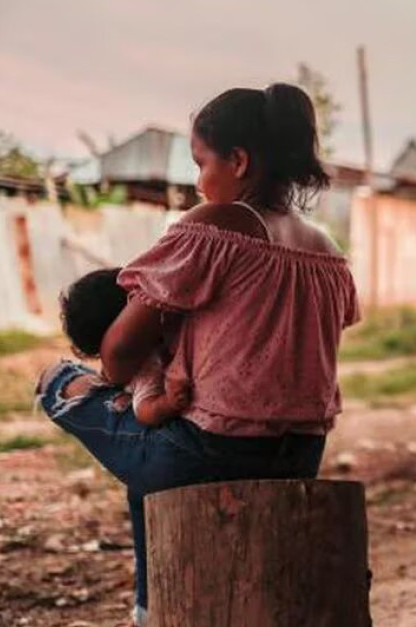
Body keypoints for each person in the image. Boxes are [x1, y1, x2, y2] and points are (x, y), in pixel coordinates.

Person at [36, 83, 360, 626]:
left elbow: (116, 356)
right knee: (149, 454)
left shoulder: (216, 226)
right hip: (303, 455)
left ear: (238, 160)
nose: (197, 180)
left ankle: (148, 609)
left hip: (209, 454)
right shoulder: (328, 254)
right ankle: (148, 606)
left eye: (200, 161)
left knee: (57, 378)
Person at [57, 268, 191, 426]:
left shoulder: (159, 335)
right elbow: (143, 411)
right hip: (172, 433)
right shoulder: (146, 368)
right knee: (56, 378)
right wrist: (168, 403)